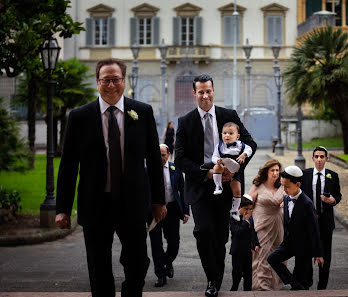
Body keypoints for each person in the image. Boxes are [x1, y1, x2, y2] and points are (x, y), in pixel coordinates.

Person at [55, 58, 167, 297]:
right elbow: (68, 165)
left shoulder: (143, 112)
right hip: (95, 204)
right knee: (98, 268)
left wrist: (159, 200)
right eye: (105, 79)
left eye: (115, 79)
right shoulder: (79, 117)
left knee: (138, 264)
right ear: (97, 82)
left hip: (133, 205)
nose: (111, 84)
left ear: (124, 81)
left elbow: (154, 162)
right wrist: (62, 208)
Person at [175, 74, 257, 297]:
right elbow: (180, 159)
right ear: (194, 93)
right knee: (203, 231)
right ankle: (212, 278)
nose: (205, 95)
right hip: (200, 185)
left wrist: (235, 168)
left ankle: (216, 279)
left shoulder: (228, 116)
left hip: (228, 185)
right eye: (200, 92)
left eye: (208, 91)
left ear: (213, 91)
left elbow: (251, 143)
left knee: (221, 236)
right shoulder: (185, 122)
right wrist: (208, 173)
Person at [267, 166, 324, 290]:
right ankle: (293, 282)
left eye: (287, 186)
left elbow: (314, 230)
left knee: (304, 280)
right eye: (282, 185)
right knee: (272, 258)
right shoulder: (286, 198)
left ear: (298, 184)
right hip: (290, 242)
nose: (284, 189)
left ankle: (298, 285)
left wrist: (318, 253)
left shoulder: (307, 204)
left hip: (304, 246)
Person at [149, 144, 190, 288]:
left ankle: (167, 262)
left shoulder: (175, 169)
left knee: (174, 242)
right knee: (156, 243)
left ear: (169, 154)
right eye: (158, 155)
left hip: (172, 209)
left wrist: (186, 211)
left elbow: (183, 190)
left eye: (163, 155)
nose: (160, 158)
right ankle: (160, 275)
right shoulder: (148, 170)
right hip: (154, 211)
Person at [301, 146, 342, 290]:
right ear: (312, 159)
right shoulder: (305, 174)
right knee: (307, 253)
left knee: (326, 255)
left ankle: (322, 286)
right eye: (316, 157)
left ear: (326, 159)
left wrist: (333, 201)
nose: (319, 160)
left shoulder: (333, 175)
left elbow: (338, 195)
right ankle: (307, 282)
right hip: (308, 222)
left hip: (326, 221)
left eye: (322, 157)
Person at [249, 159, 285, 291]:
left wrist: (285, 203)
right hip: (262, 224)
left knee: (277, 254)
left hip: (278, 224)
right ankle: (260, 286)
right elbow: (247, 204)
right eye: (272, 170)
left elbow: (291, 199)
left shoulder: (282, 185)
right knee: (263, 254)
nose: (275, 173)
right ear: (267, 171)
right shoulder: (258, 185)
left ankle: (274, 285)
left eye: (277, 170)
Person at [210, 122, 253, 221]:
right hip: (223, 166)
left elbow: (249, 149)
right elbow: (214, 156)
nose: (227, 135)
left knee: (237, 190)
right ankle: (218, 185)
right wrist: (217, 160)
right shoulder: (219, 145)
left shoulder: (241, 145)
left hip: (235, 170)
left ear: (237, 136)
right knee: (217, 167)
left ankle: (234, 210)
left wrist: (244, 155)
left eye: (230, 133)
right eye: (224, 133)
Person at [229, 194, 260, 291]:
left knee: (248, 274)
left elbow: (253, 231)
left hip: (247, 250)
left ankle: (248, 291)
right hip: (237, 251)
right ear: (239, 207)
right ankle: (234, 290)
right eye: (246, 209)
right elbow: (237, 232)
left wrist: (256, 243)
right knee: (237, 274)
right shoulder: (234, 217)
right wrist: (245, 222)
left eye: (250, 209)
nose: (248, 211)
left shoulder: (249, 216)